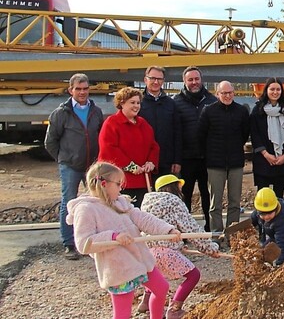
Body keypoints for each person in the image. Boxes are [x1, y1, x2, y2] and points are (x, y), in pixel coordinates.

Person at [66, 162, 182, 319]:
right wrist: (113, 237)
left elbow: (142, 218)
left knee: (161, 288)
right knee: (122, 314)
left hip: (140, 259)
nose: (121, 188)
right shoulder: (86, 209)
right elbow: (83, 243)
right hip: (118, 267)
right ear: (104, 184)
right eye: (118, 184)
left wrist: (167, 230)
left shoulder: (120, 201)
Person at [140, 174, 220, 318]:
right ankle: (174, 309)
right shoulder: (174, 202)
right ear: (174, 187)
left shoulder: (147, 202)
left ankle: (145, 301)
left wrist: (178, 245)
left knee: (156, 276)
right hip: (164, 250)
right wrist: (210, 248)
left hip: (147, 251)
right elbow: (190, 228)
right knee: (193, 275)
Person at [45, 73, 104, 260]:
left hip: (91, 166)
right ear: (71, 90)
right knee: (69, 203)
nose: (82, 92)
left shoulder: (96, 112)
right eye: (78, 89)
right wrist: (63, 159)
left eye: (85, 88)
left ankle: (92, 241)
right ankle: (69, 243)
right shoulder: (60, 113)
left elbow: (100, 137)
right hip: (70, 166)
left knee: (95, 202)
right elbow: (50, 141)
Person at [197, 81, 250, 238]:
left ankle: (232, 235)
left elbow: (244, 134)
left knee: (235, 202)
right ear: (217, 94)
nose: (227, 96)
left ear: (234, 93)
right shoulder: (208, 111)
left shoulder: (241, 111)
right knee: (215, 203)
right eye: (223, 93)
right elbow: (201, 135)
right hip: (215, 164)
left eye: (230, 93)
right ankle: (216, 234)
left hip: (235, 163)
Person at [98, 87, 160, 208]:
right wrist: (130, 166)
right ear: (122, 103)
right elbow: (108, 149)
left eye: (138, 103)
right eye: (132, 102)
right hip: (119, 182)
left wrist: (151, 162)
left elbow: (153, 146)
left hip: (143, 180)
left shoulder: (143, 123)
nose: (136, 106)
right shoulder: (111, 123)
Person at [173, 66, 216, 231]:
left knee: (208, 196)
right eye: (190, 80)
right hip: (186, 158)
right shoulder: (176, 103)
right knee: (185, 196)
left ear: (201, 80)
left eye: (196, 79)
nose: (194, 82)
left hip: (208, 158)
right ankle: (185, 231)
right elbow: (174, 132)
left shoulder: (212, 101)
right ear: (184, 82)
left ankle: (209, 228)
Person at [250, 77, 284, 216]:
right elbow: (254, 134)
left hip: (282, 161)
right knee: (263, 196)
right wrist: (266, 154)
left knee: (279, 197)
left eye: (278, 89)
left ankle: (279, 224)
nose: (275, 92)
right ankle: (263, 226)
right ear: (267, 90)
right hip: (263, 161)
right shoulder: (257, 110)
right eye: (272, 89)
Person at [139, 66, 182, 182]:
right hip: (142, 161)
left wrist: (177, 160)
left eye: (159, 79)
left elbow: (177, 133)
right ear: (145, 80)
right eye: (152, 78)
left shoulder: (171, 104)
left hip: (166, 160)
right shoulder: (137, 103)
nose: (156, 82)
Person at [250, 188, 284, 266]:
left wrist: (279, 261)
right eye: (263, 214)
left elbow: (281, 243)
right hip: (275, 235)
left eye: (269, 213)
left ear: (275, 208)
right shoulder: (258, 213)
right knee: (263, 251)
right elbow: (250, 222)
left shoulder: (281, 220)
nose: (266, 217)